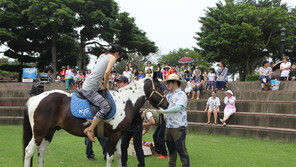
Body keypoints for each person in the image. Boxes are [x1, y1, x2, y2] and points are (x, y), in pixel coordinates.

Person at [82, 44, 123, 142]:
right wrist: (105, 86)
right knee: (105, 107)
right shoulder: (112, 58)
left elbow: (98, 72)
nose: (117, 58)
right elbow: (107, 73)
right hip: (90, 88)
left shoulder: (102, 55)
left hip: (88, 84)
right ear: (117, 53)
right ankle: (90, 129)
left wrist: (105, 85)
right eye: (119, 56)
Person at [158, 74, 190, 167]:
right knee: (171, 149)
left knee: (181, 150)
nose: (167, 85)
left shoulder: (182, 95)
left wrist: (164, 111)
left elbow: (178, 108)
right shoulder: (168, 95)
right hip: (168, 125)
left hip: (179, 126)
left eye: (168, 83)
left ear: (175, 83)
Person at [119, 77, 145, 167]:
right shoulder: (119, 95)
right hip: (126, 126)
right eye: (118, 82)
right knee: (123, 146)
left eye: (120, 82)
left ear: (126, 83)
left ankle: (142, 165)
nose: (118, 84)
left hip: (136, 124)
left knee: (137, 147)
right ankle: (123, 164)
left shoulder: (132, 93)